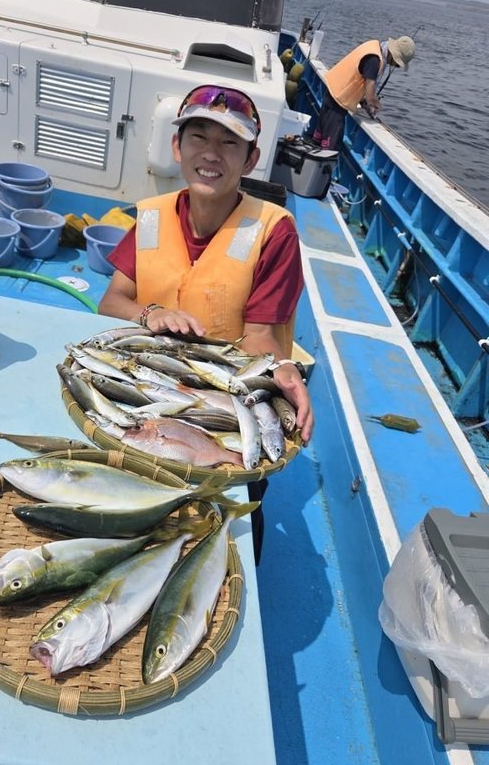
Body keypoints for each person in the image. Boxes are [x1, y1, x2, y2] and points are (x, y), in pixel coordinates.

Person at [98, 85, 314, 560]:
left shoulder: (274, 232)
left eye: (229, 142)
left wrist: (282, 370)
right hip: (154, 383)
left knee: (231, 531)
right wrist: (151, 314)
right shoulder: (151, 218)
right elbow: (112, 301)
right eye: (198, 137)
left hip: (227, 392)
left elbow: (260, 334)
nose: (211, 154)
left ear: (251, 159)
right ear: (177, 147)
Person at [312, 35, 416, 150]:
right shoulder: (375, 60)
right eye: (398, 63)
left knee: (320, 133)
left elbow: (359, 78)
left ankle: (316, 150)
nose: (396, 66)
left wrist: (364, 104)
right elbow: (369, 88)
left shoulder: (374, 46)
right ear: (393, 54)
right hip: (339, 100)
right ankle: (324, 157)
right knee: (330, 144)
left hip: (333, 90)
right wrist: (374, 104)